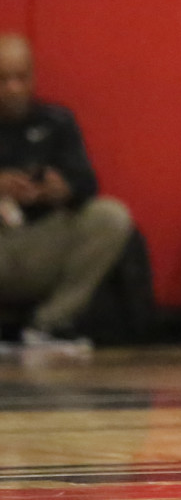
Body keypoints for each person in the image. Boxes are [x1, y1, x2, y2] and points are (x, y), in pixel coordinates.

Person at [0, 33, 134, 350]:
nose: (12, 89)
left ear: (32, 78)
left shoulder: (56, 121)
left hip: (42, 239)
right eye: (3, 80)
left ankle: (49, 324)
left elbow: (87, 184)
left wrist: (59, 190)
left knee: (111, 216)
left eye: (20, 78)